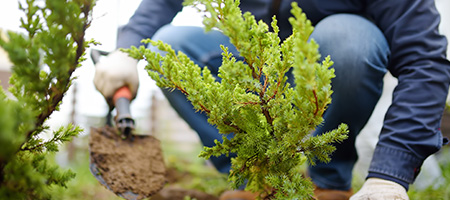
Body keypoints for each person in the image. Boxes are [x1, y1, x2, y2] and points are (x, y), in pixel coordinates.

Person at [93, 0, 450, 199]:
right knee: (167, 45)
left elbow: (424, 60)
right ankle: (255, 180)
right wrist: (128, 49)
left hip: (328, 69)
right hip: (259, 69)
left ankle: (327, 181)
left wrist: (390, 174)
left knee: (349, 40)